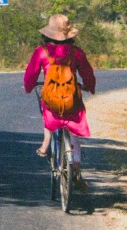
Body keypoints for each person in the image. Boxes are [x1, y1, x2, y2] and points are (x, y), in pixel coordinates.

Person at [23, 13, 96, 159]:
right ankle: (75, 166)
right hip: (71, 97)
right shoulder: (77, 52)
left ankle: (45, 143)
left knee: (47, 106)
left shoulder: (41, 52)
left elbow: (31, 74)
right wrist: (89, 86)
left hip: (52, 96)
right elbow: (87, 73)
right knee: (74, 135)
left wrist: (29, 87)